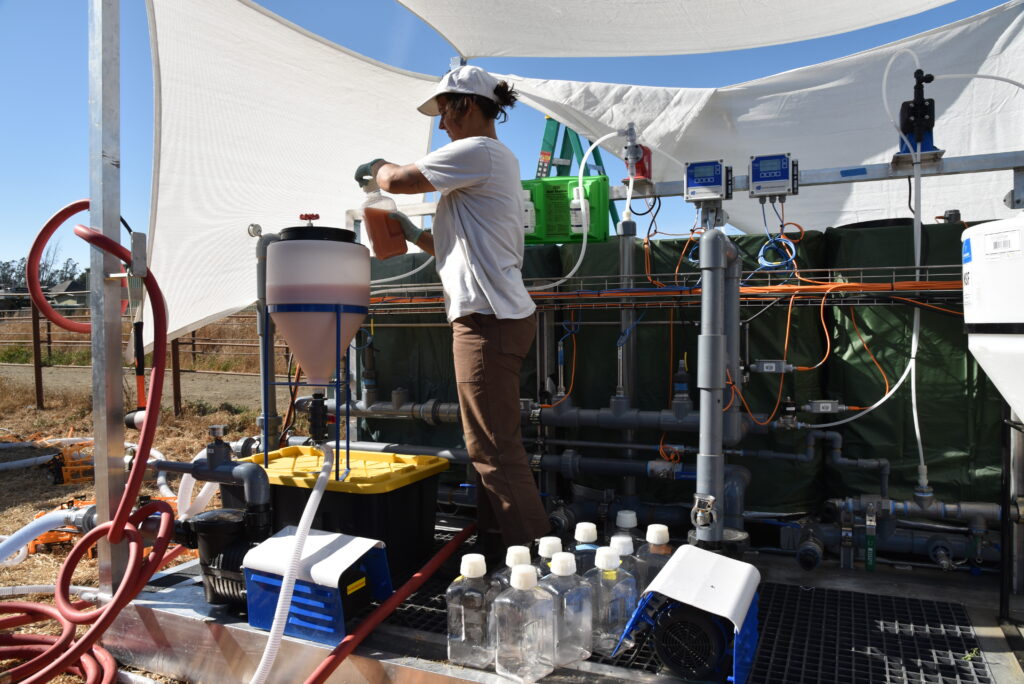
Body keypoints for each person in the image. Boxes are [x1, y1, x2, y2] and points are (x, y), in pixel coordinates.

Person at [355, 65, 549, 553]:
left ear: (465, 105)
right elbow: (453, 250)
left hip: (487, 322)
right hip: (492, 318)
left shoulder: (479, 151)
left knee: (494, 450)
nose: (442, 126)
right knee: (489, 447)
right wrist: (408, 230)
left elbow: (397, 178)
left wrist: (374, 168)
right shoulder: (484, 165)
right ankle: (501, 552)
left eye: (445, 112)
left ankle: (543, 565)